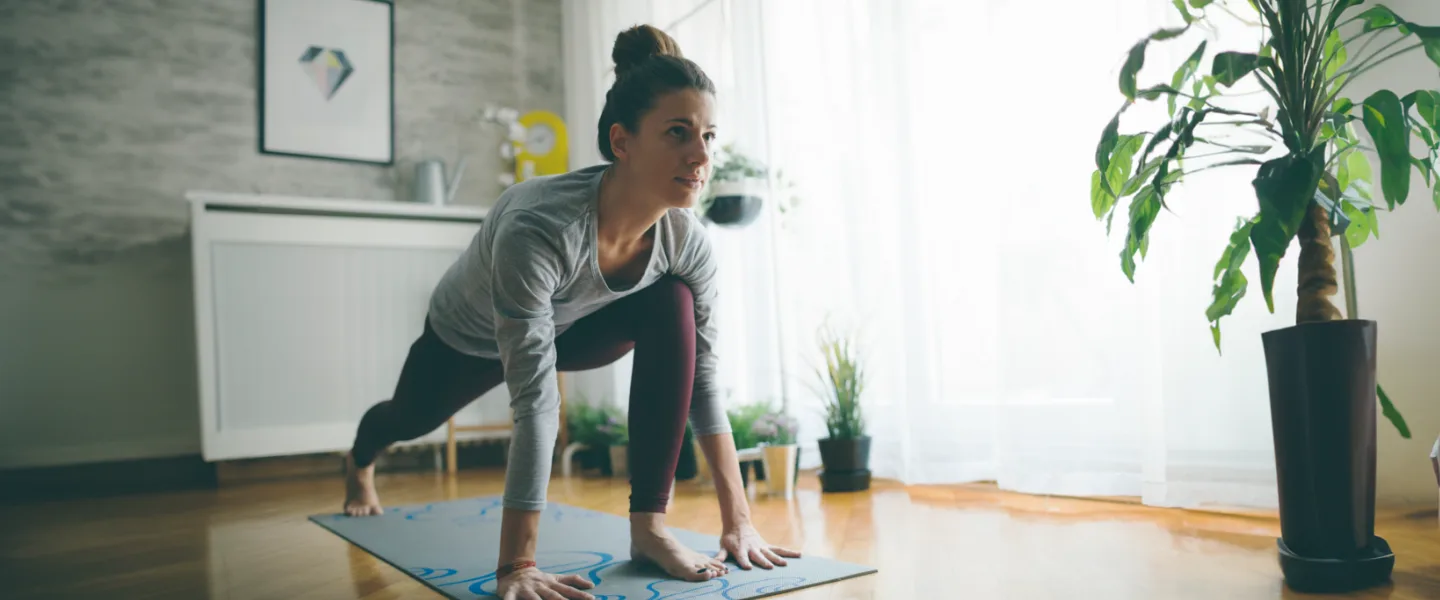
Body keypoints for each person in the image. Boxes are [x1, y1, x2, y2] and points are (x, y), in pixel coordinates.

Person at [341, 23, 800, 600]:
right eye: (679, 133)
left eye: (708, 135)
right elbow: (536, 399)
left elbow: (701, 377)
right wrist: (517, 566)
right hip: (469, 336)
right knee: (408, 419)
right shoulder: (538, 226)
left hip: (577, 327)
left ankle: (650, 528)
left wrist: (739, 520)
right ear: (622, 142)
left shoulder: (687, 240)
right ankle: (359, 462)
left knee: (671, 301)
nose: (702, 155)